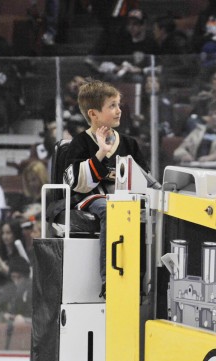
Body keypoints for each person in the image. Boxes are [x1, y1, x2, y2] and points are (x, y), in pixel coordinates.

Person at [61, 80, 151, 285]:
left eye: (118, 105)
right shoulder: (80, 143)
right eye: (112, 106)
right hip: (91, 198)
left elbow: (145, 177)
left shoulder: (129, 143)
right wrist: (101, 153)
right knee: (111, 209)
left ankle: (143, 279)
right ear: (93, 114)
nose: (119, 110)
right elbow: (77, 184)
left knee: (148, 211)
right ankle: (111, 279)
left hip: (126, 198)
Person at [172, 101, 216, 167]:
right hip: (195, 166)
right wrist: (184, 155)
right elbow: (179, 150)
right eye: (211, 114)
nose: (213, 117)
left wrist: (213, 157)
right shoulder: (199, 131)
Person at [0, 257, 32, 323]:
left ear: (26, 277)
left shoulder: (34, 291)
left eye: (19, 277)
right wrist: (8, 316)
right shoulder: (11, 291)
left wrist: (24, 320)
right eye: (13, 277)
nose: (16, 281)